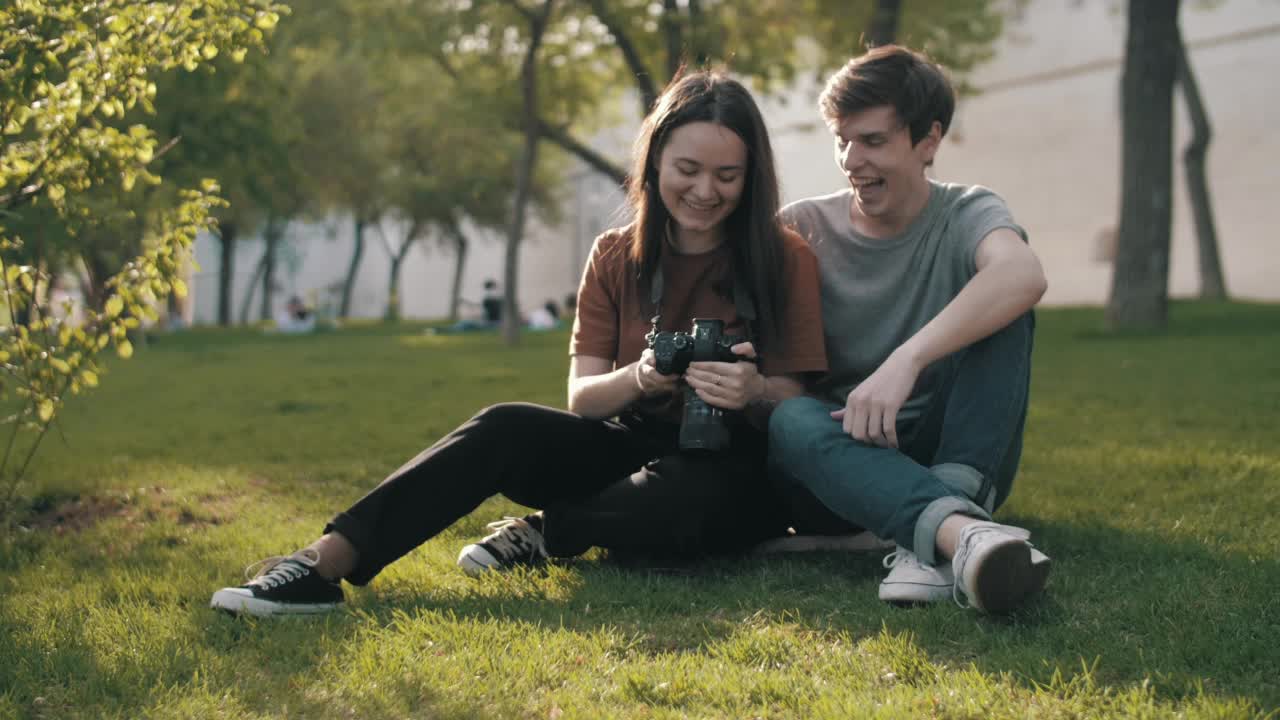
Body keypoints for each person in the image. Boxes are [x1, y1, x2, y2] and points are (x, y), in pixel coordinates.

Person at [210, 70, 828, 617]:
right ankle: (320, 565)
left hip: (733, 466)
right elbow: (583, 400)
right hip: (630, 443)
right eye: (687, 170)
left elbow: (792, 400)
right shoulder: (616, 256)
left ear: (751, 178)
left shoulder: (783, 258)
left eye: (727, 175)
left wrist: (750, 391)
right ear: (656, 163)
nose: (705, 191)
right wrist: (641, 376)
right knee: (503, 425)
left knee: (688, 502)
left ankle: (549, 530)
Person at [768, 45, 1051, 615]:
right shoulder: (801, 227)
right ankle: (960, 535)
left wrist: (907, 360)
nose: (850, 160)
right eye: (842, 140)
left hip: (951, 450)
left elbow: (1023, 274)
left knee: (1007, 308)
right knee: (789, 417)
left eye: (873, 141)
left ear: (928, 142)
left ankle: (928, 532)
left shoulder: (966, 211)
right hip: (844, 468)